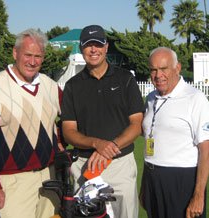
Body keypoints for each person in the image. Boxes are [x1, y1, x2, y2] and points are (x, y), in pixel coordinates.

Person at [0, 28, 62, 218]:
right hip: (12, 182)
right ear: (15, 53)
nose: (32, 61)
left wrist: (60, 139)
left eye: (38, 56)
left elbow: (72, 118)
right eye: (27, 54)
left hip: (49, 177)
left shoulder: (49, 86)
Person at [61, 24, 145, 218]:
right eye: (88, 45)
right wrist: (96, 143)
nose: (93, 50)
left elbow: (136, 124)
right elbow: (69, 130)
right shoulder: (73, 86)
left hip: (120, 165)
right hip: (85, 165)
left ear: (106, 47)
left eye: (98, 44)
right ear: (82, 49)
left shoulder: (125, 79)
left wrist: (109, 148)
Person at [140, 47, 209, 218]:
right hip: (153, 178)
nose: (158, 75)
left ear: (177, 68)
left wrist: (198, 195)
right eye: (153, 70)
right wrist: (145, 186)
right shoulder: (151, 98)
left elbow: (207, 150)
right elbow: (151, 141)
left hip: (181, 180)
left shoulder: (195, 98)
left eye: (164, 69)